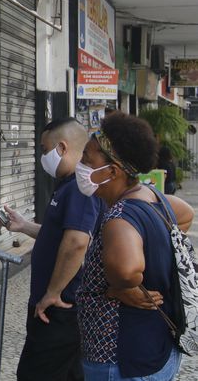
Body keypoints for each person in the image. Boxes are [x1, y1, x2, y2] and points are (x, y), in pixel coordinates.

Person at [76, 112, 195, 380]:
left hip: (121, 360)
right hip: (157, 349)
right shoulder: (151, 196)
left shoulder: (120, 217)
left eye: (87, 159)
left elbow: (128, 271)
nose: (80, 165)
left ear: (112, 171)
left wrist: (118, 289)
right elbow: (186, 214)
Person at [2, 118, 103, 381]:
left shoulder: (81, 188)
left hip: (59, 308)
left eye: (45, 150)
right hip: (56, 307)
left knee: (34, 374)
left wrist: (52, 293)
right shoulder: (68, 186)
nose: (42, 157)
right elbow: (59, 236)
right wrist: (23, 226)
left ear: (62, 147)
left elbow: (77, 241)